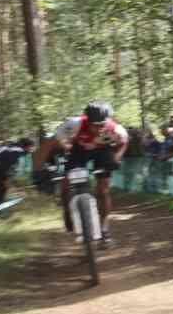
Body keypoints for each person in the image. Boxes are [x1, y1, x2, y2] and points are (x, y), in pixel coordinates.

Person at [33, 101, 128, 247]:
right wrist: (37, 170)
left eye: (102, 124)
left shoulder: (115, 129)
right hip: (79, 152)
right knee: (65, 186)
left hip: (102, 152)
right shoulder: (74, 124)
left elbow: (124, 142)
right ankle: (67, 210)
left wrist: (117, 157)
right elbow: (48, 144)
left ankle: (104, 231)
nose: (98, 129)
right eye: (94, 125)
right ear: (87, 120)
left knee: (103, 190)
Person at [0, 138, 35, 217]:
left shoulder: (13, 148)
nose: (32, 150)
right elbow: (3, 169)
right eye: (31, 147)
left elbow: (5, 169)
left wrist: (11, 185)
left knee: (0, 188)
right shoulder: (16, 152)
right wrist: (10, 185)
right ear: (27, 147)